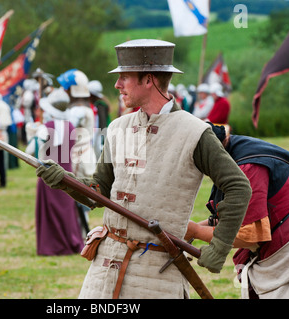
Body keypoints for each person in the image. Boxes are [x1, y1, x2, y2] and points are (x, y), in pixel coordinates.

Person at [36, 39, 252, 299]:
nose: (117, 85)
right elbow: (99, 191)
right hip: (104, 268)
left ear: (149, 80)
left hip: (156, 274)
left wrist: (220, 246)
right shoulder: (118, 128)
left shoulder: (195, 133)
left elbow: (238, 187)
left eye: (124, 77)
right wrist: (66, 181)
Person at [186, 124, 289, 299]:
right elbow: (233, 219)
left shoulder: (248, 168)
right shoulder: (233, 153)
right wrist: (188, 230)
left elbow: (252, 234)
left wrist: (196, 231)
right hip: (284, 236)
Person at [25, 88, 84, 256]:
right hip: (67, 174)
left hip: (49, 175)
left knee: (52, 211)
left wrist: (33, 134)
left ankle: (52, 245)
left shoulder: (47, 127)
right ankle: (70, 241)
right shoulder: (71, 125)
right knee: (66, 209)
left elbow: (31, 150)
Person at [58, 69, 97, 236]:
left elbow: (67, 130)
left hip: (80, 157)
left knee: (79, 197)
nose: (64, 92)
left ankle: (80, 234)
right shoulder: (78, 109)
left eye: (66, 89)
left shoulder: (79, 111)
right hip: (79, 155)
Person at [88, 80, 110, 159]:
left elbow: (102, 124)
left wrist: (100, 138)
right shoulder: (98, 104)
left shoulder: (100, 106)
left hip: (101, 134)